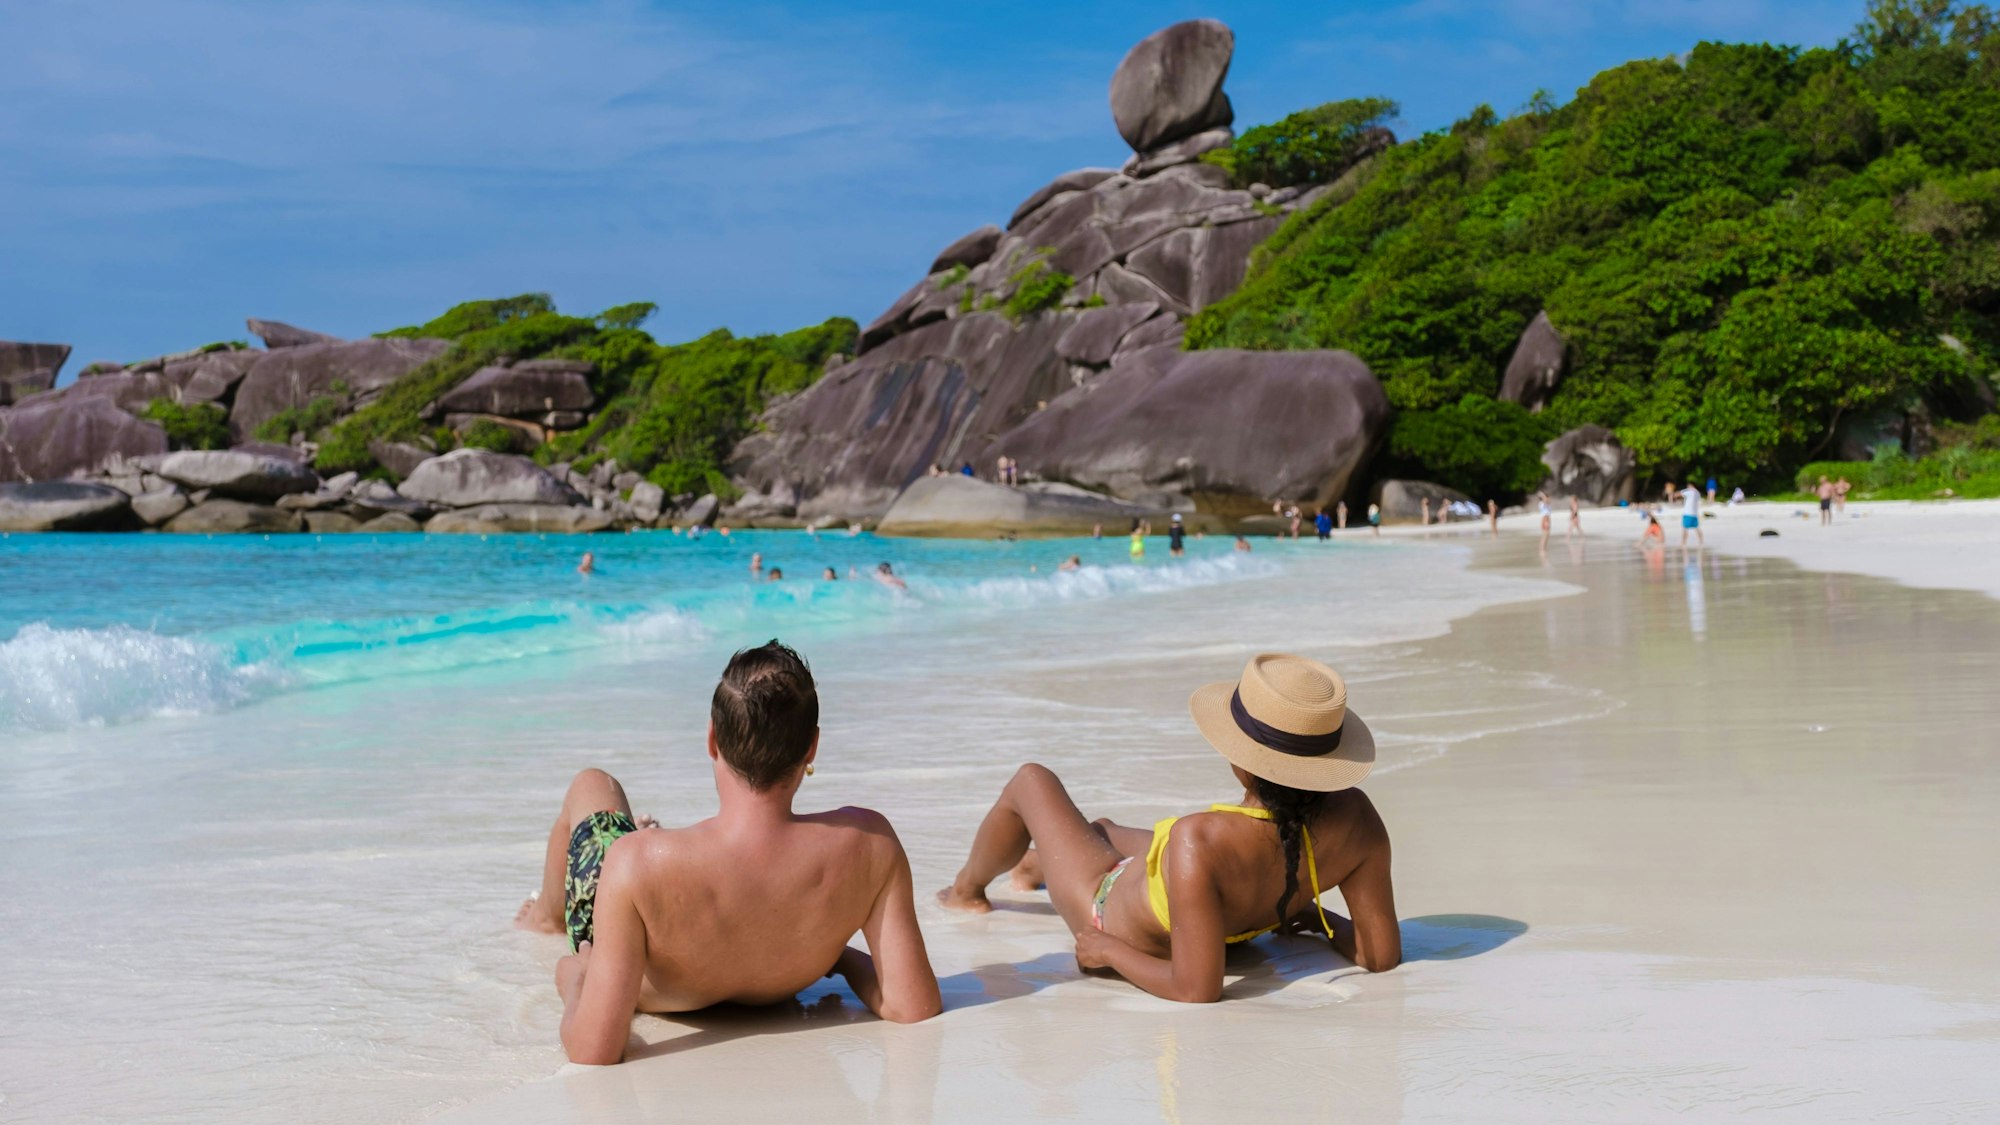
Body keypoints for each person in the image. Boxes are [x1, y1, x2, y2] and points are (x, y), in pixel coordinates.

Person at [514, 642, 942, 1063]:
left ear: (713, 739)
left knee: (594, 785)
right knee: (637, 845)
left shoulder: (633, 863)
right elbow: (912, 1005)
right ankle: (655, 838)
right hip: (781, 978)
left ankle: (545, 918)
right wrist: (838, 956)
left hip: (652, 953)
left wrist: (575, 980)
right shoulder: (870, 845)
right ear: (811, 748)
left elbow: (595, 1050)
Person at [937, 654, 1399, 1001]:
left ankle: (967, 892)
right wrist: (1321, 919)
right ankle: (1035, 868)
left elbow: (1196, 988)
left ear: (1241, 759)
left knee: (1031, 781)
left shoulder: (1198, 838)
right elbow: (1380, 955)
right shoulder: (1358, 819)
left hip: (1108, 913)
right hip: (1224, 921)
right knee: (1104, 831)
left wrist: (1107, 952)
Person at [1679, 480, 1705, 547]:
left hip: (1688, 513)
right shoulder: (1697, 493)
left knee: (1685, 528)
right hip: (1694, 513)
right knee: (1696, 528)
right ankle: (1701, 541)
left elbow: (1679, 493)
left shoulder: (1689, 491)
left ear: (1690, 485)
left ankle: (1683, 543)